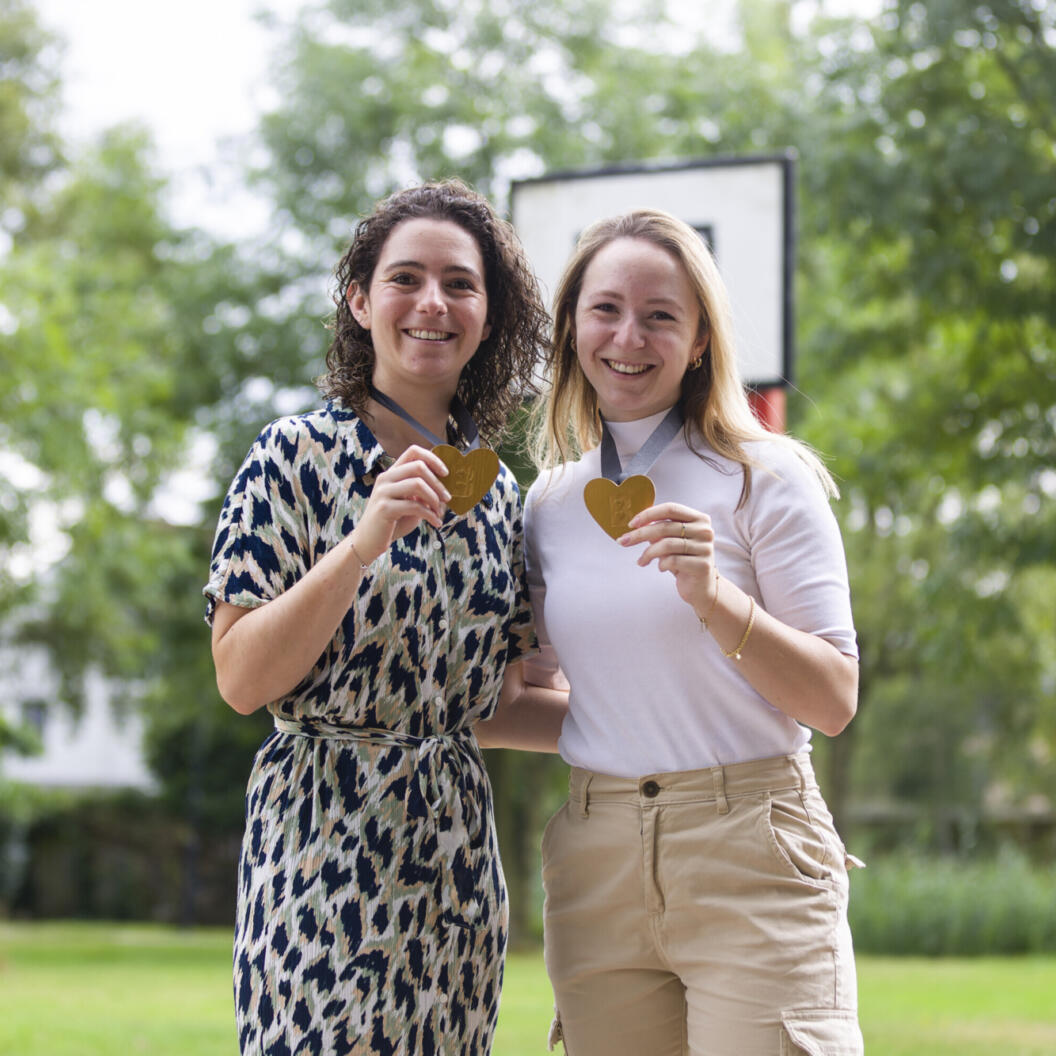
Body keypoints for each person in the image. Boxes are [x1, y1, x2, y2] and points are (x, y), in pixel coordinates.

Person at [204, 179, 566, 1056]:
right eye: (406, 278)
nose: (432, 303)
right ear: (361, 301)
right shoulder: (291, 457)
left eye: (460, 283)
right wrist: (361, 544)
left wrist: (712, 733)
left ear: (489, 313)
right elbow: (242, 679)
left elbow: (500, 705)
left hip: (453, 856)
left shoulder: (500, 492)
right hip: (317, 845)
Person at [518, 209, 864, 1055]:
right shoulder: (549, 504)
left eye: (660, 315)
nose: (627, 336)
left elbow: (833, 699)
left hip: (751, 845)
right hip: (595, 855)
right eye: (605, 309)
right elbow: (520, 700)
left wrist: (714, 598)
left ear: (701, 339)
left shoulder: (766, 477)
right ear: (571, 327)